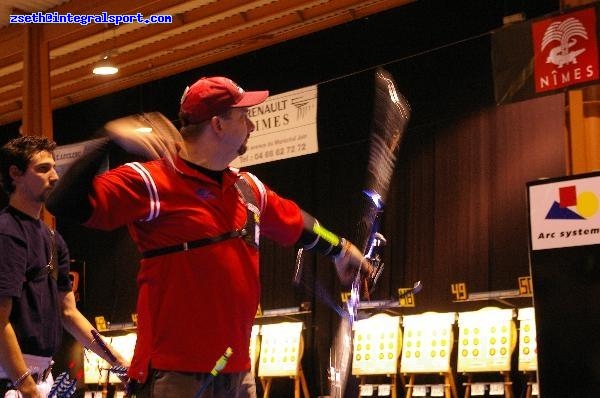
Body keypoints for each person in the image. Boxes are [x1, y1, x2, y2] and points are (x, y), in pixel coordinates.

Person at [46, 76, 373, 398]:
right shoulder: (152, 181)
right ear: (217, 124)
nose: (252, 126)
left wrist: (340, 249)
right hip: (174, 379)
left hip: (238, 375)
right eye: (244, 116)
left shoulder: (247, 188)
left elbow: (297, 224)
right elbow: (63, 202)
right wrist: (110, 138)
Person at [0, 136, 129, 398]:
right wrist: (25, 385)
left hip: (38, 380)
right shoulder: (6, 232)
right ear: (15, 174)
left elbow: (69, 313)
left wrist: (120, 364)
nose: (55, 177)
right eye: (43, 168)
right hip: (13, 381)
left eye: (54, 167)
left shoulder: (52, 238)